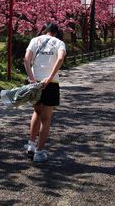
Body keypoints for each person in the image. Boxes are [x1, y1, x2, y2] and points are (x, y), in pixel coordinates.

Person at [23, 22, 66, 163]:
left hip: (35, 83)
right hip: (51, 84)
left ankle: (31, 145)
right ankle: (39, 153)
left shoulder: (34, 40)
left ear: (45, 30)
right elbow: (60, 58)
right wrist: (50, 76)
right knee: (46, 119)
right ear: (56, 32)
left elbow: (26, 60)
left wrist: (31, 79)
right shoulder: (59, 43)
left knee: (36, 112)